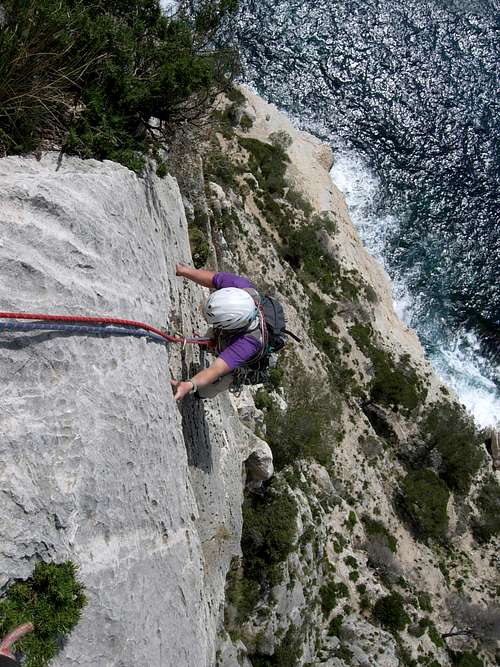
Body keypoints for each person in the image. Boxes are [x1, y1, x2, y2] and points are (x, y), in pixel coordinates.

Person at [171, 263, 265, 401]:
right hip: (232, 329)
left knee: (209, 389)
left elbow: (216, 370)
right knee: (212, 338)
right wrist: (184, 271)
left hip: (242, 359)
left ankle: (200, 395)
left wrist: (190, 385)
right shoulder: (239, 286)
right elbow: (213, 279)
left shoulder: (248, 344)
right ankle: (207, 344)